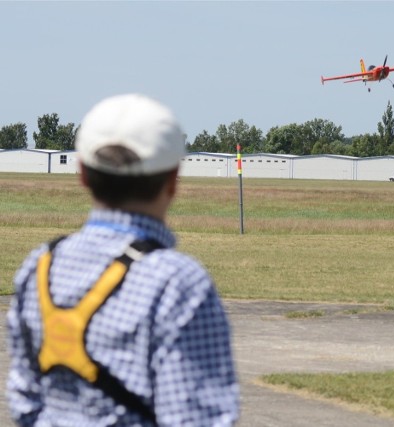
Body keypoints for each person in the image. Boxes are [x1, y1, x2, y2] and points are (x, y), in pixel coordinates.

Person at [7, 94, 240, 426]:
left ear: (83, 174)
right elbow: (196, 418)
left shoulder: (40, 265)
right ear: (173, 181)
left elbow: (25, 402)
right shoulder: (178, 283)